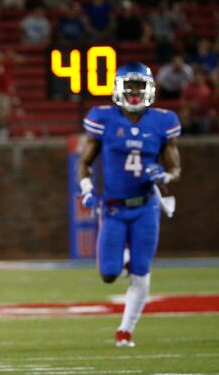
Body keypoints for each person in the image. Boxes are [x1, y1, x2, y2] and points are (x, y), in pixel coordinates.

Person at [77, 62, 181, 349]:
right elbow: (85, 162)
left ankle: (126, 330)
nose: (135, 93)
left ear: (150, 90)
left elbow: (175, 168)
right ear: (118, 89)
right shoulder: (103, 118)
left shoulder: (162, 121)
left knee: (141, 271)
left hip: (146, 206)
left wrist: (164, 175)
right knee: (109, 273)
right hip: (113, 207)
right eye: (130, 86)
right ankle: (121, 260)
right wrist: (86, 189)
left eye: (140, 86)